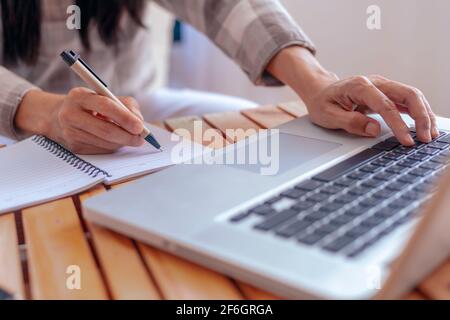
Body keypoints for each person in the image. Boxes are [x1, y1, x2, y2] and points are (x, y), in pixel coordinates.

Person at [0, 0, 438, 154]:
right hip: (9, 124)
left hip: (131, 105)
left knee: (268, 137)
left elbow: (222, 2)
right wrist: (45, 112)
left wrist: (317, 82)